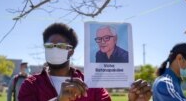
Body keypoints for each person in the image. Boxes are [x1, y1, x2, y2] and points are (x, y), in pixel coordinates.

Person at [18, 23, 152, 101]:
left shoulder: (91, 83)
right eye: (49, 46)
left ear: (71, 51)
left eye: (60, 46)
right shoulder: (31, 84)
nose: (54, 50)